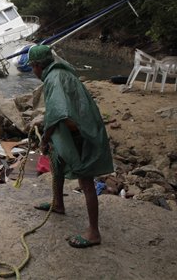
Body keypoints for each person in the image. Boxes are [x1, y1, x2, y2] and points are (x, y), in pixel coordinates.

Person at [27, 44, 114, 248]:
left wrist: (45, 138)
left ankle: (94, 232)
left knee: (86, 181)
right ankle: (58, 204)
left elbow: (59, 113)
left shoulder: (53, 78)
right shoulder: (58, 71)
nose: (33, 71)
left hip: (79, 132)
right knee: (56, 162)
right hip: (71, 130)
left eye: (32, 67)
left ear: (38, 65)